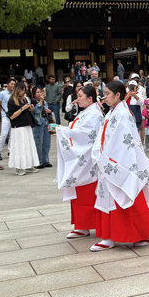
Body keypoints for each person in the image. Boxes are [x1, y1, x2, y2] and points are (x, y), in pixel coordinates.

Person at [90, 81, 149, 251]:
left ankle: (140, 235)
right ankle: (109, 236)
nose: (104, 97)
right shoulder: (113, 112)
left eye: (107, 93)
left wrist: (107, 158)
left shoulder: (122, 113)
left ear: (117, 95)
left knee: (127, 197)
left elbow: (124, 142)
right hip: (109, 159)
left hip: (120, 161)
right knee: (112, 199)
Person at [55, 84, 105, 239]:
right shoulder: (87, 112)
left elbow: (86, 135)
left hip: (88, 159)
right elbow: (77, 130)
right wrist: (65, 129)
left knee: (87, 192)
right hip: (82, 158)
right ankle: (81, 225)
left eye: (80, 96)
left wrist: (62, 130)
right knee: (79, 191)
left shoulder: (94, 113)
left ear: (90, 98)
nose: (77, 99)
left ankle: (87, 225)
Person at [7, 82, 40, 175]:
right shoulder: (12, 101)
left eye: (24, 90)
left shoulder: (24, 100)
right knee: (20, 147)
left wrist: (30, 108)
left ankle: (29, 165)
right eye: (22, 90)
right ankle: (19, 167)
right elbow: (12, 116)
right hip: (18, 127)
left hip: (26, 125)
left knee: (28, 146)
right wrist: (22, 109)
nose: (23, 92)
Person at [31, 86, 52, 168]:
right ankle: (38, 161)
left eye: (41, 92)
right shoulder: (33, 102)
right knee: (38, 143)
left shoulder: (45, 102)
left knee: (46, 143)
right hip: (38, 124)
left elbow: (47, 112)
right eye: (38, 92)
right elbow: (35, 111)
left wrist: (49, 112)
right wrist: (40, 103)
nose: (40, 94)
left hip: (45, 123)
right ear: (34, 93)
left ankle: (45, 160)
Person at [0, 78, 15, 161]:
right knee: (4, 133)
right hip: (5, 116)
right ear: (7, 85)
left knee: (12, 135)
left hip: (14, 116)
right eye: (11, 84)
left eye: (14, 84)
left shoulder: (15, 94)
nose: (13, 86)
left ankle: (10, 151)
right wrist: (4, 113)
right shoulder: (2, 94)